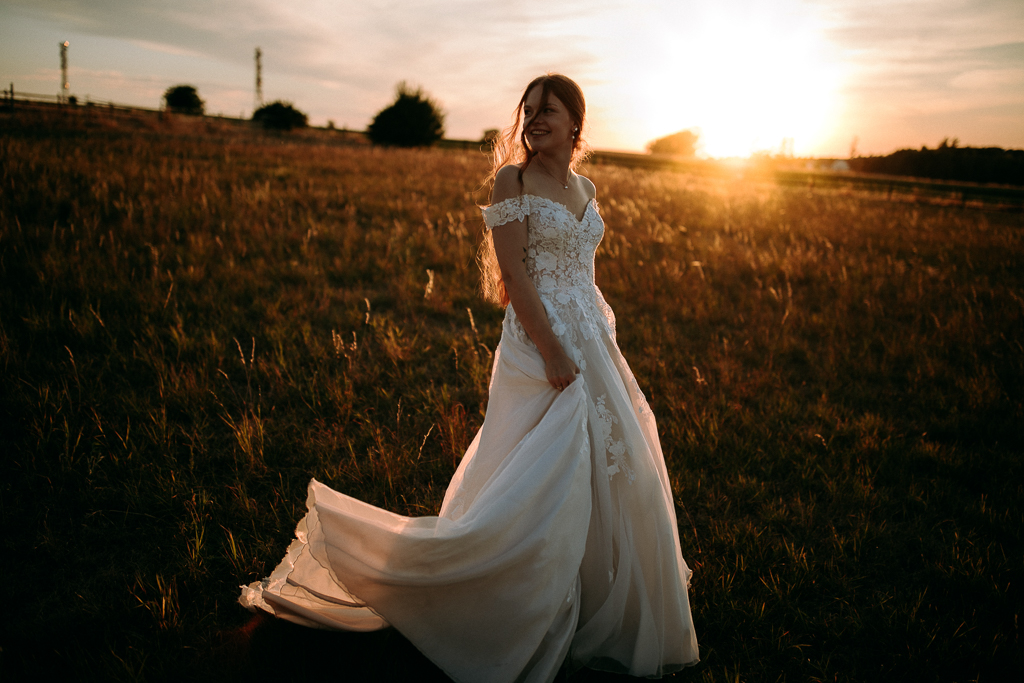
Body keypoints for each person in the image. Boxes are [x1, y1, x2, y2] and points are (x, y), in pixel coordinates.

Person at [240, 73, 699, 682]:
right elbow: (517, 278)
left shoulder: (586, 186)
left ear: (575, 124)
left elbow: (580, 273)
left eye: (548, 111)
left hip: (594, 339)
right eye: (527, 110)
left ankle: (593, 600)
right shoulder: (511, 180)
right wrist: (555, 351)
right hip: (541, 347)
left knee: (619, 471)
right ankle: (490, 593)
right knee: (540, 474)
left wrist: (593, 340)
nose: (534, 119)